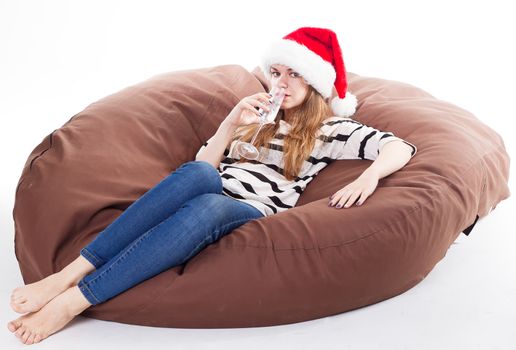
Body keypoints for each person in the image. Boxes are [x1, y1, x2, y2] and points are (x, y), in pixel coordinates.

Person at [7, 26, 417, 345]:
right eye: (276, 72)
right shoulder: (258, 114)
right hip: (212, 187)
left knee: (209, 207)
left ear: (314, 82)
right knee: (202, 178)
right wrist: (230, 123)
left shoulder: (330, 128)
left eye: (295, 74)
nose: (282, 83)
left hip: (252, 208)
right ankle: (68, 274)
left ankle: (76, 299)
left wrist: (369, 176)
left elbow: (400, 147)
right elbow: (199, 169)